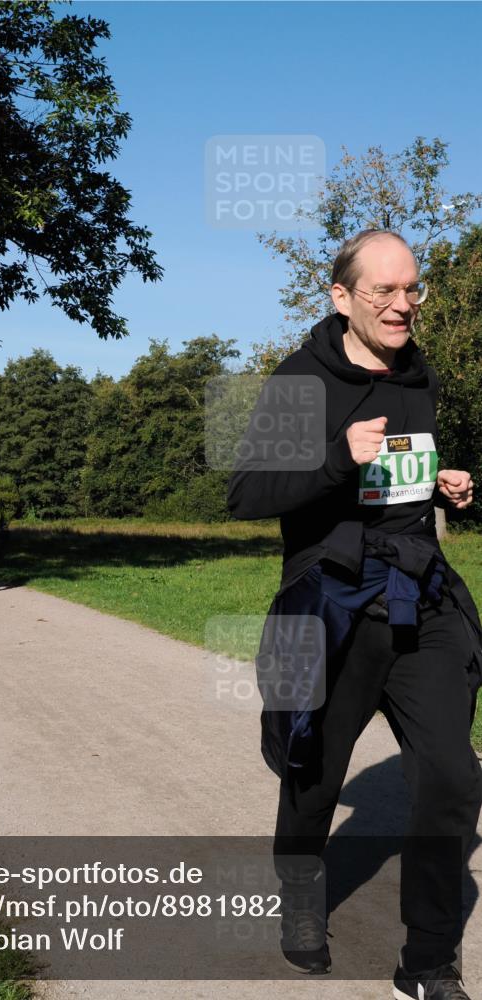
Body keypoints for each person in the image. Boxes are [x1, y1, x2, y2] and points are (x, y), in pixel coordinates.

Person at [227, 229, 481, 1000]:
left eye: (414, 290)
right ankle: (303, 897)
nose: (405, 306)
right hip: (332, 602)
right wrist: (338, 456)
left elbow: (402, 476)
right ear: (342, 297)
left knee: (451, 776)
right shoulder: (299, 380)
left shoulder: (418, 376)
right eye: (386, 292)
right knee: (312, 773)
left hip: (418, 595)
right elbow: (247, 494)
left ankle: (429, 961)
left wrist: (443, 485)